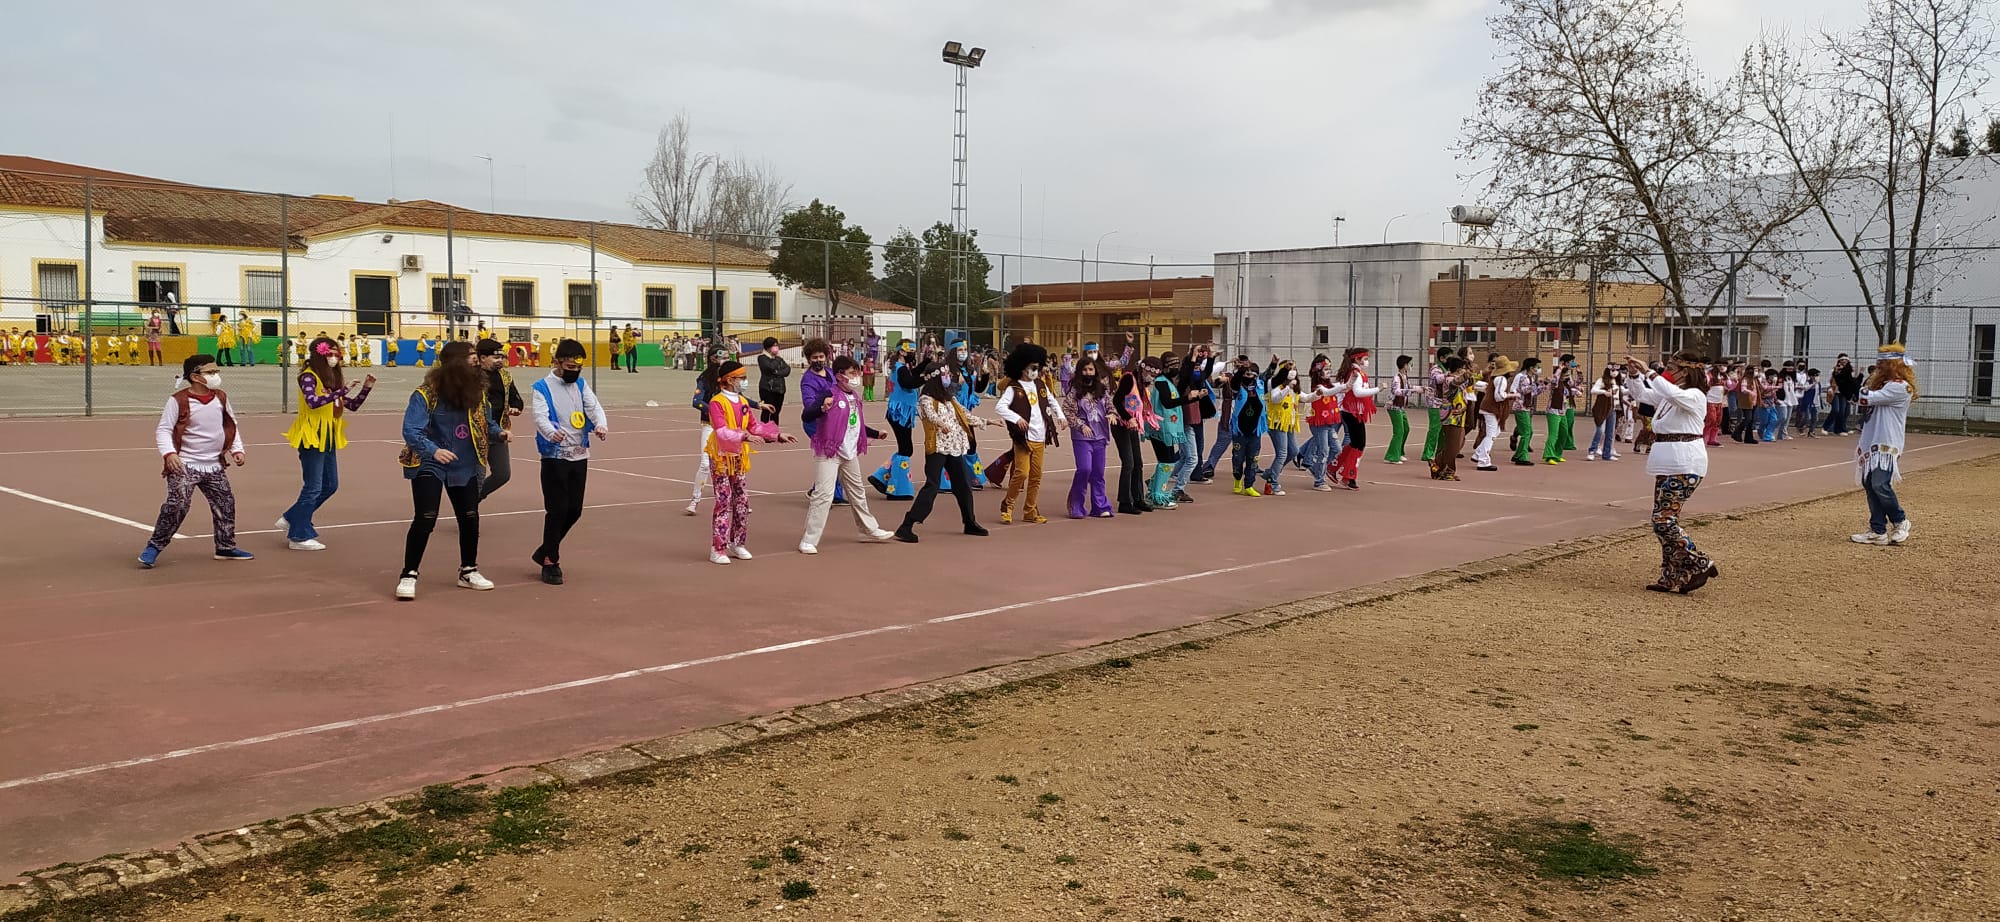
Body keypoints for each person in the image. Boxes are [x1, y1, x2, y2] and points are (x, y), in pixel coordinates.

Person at [396, 340, 501, 599]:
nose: (477, 361)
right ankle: (409, 574)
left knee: (469, 516)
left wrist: (500, 433)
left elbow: (485, 423)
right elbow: (411, 430)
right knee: (426, 516)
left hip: (464, 462)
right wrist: (434, 450)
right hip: (429, 460)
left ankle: (469, 571)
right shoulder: (425, 394)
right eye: (472, 357)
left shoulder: (477, 392)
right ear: (455, 363)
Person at [139, 354, 254, 568]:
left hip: (214, 464)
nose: (215, 375)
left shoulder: (221, 398)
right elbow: (164, 430)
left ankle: (225, 546)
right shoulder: (178, 400)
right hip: (185, 464)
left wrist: (237, 449)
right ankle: (154, 546)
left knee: (225, 503)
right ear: (195, 376)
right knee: (177, 504)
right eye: (210, 372)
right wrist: (169, 454)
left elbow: (231, 425)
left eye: (216, 371)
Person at [1628, 351, 1717, 594]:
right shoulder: (1672, 396)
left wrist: (1649, 372)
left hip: (1685, 463)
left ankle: (1700, 562)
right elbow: (1644, 395)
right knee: (1663, 521)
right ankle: (1672, 575)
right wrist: (1635, 375)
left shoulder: (1694, 395)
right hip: (1666, 461)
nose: (1667, 371)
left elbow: (1670, 392)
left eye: (1672, 367)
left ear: (1685, 371)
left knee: (1663, 520)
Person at [279, 337, 375, 551]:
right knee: (313, 486)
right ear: (319, 355)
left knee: (330, 485)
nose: (334, 358)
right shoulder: (308, 377)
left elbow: (352, 406)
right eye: (329, 354)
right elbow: (313, 402)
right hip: (312, 434)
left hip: (329, 435)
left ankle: (293, 516)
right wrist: (341, 391)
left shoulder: (332, 381)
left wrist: (366, 388)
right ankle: (298, 536)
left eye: (336, 354)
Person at [529, 339, 608, 584]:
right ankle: (551, 560)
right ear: (557, 363)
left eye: (578, 368)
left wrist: (600, 424)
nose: (574, 372)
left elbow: (594, 407)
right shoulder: (542, 387)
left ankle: (544, 549)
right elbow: (539, 416)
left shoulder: (581, 385)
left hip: (579, 454)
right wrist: (551, 432)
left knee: (574, 510)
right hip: (554, 456)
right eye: (570, 367)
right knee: (556, 510)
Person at [799, 355, 896, 553]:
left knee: (857, 491)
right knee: (823, 496)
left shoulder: (855, 397)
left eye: (857, 373)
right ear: (840, 375)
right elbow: (807, 414)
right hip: (829, 451)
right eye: (852, 373)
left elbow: (855, 424)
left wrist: (875, 433)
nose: (856, 377)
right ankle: (809, 539)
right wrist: (820, 407)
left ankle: (868, 529)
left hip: (849, 452)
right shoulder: (829, 393)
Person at [894, 362, 994, 543]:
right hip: (938, 448)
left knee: (963, 485)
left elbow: (965, 415)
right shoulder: (926, 399)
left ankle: (969, 522)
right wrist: (941, 424)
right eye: (945, 374)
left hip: (954, 448)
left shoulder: (950, 399)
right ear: (935, 378)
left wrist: (988, 422)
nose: (949, 377)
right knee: (932, 486)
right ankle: (907, 525)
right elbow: (931, 415)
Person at [704, 360, 793, 564]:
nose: (744, 381)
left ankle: (738, 542)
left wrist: (777, 435)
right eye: (741, 378)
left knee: (742, 500)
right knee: (724, 501)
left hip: (738, 457)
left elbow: (754, 426)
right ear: (729, 380)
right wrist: (744, 437)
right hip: (721, 457)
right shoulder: (717, 402)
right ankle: (718, 548)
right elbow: (721, 431)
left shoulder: (743, 403)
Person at [991, 343, 1066, 524]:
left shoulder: (1040, 384)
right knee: (1021, 473)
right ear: (1023, 368)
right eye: (1033, 367)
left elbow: (1052, 401)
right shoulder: (1013, 388)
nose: (1036, 371)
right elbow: (1000, 406)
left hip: (1040, 437)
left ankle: (1030, 510)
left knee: (1036, 476)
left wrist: (1061, 416)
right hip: (1023, 438)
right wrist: (1016, 419)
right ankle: (1007, 505)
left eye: (1037, 367)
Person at [1851, 345, 1916, 546]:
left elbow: (1865, 398)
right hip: (1872, 439)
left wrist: (1851, 384)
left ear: (1895, 365)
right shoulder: (1882, 385)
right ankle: (1877, 529)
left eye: (1884, 362)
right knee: (1869, 483)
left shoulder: (1900, 387)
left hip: (1887, 441)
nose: (1879, 366)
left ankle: (1900, 520)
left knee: (1880, 483)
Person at [685, 346, 736, 516]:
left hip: (728, 427)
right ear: (713, 358)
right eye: (722, 357)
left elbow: (740, 398)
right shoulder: (705, 378)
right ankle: (695, 499)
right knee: (706, 463)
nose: (725, 360)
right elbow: (696, 401)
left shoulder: (730, 378)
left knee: (730, 464)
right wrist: (714, 411)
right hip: (710, 425)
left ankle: (733, 499)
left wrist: (757, 405)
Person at [869, 340, 923, 500]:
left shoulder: (903, 368)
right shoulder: (901, 370)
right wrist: (925, 378)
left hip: (901, 412)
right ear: (902, 352)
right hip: (900, 412)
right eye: (910, 350)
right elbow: (909, 382)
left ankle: (881, 477)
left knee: (905, 448)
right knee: (906, 449)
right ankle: (896, 488)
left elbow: (912, 375)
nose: (913, 353)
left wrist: (926, 363)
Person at [1063, 355, 1116, 518]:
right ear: (1080, 371)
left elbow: (1110, 406)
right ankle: (1076, 504)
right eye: (1085, 369)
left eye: (1091, 369)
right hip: (1082, 438)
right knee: (1085, 469)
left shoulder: (1102, 390)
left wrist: (1112, 414)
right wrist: (1080, 425)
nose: (1088, 372)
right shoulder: (1074, 392)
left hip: (1100, 436)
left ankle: (1100, 506)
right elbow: (1067, 411)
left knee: (1098, 473)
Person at [475, 338, 525, 500]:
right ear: (482, 358)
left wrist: (516, 407)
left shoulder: (505, 376)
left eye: (502, 357)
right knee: (474, 475)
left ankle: (474, 498)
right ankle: (468, 507)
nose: (500, 361)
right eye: (496, 358)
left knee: (502, 474)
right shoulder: (472, 376)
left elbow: (516, 399)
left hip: (499, 431)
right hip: (475, 433)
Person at [1151, 351, 1199, 507]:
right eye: (1173, 366)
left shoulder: (1168, 382)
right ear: (1164, 367)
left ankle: (1155, 490)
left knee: (1168, 461)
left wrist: (1195, 397)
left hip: (1168, 427)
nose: (1176, 368)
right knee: (1166, 461)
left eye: (1177, 365)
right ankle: (1158, 495)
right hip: (1161, 428)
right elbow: (1168, 403)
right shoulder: (1161, 382)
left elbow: (1185, 375)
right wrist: (1188, 398)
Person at [1332, 348, 1381, 490]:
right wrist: (1378, 389)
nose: (1367, 361)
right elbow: (1358, 392)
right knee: (1359, 444)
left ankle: (1337, 468)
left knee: (1356, 444)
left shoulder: (1357, 372)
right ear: (1356, 359)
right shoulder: (1355, 374)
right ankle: (1348, 475)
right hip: (1351, 412)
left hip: (1354, 412)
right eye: (1364, 358)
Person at [1302, 354, 1345, 491]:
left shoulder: (1330, 384)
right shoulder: (1318, 387)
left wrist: (1349, 383)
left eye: (1330, 370)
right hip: (1319, 423)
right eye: (1326, 370)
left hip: (1329, 423)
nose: (1329, 373)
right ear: (1318, 371)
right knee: (1324, 450)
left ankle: (1316, 468)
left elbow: (1338, 387)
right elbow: (1328, 392)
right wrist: (1345, 385)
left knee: (1337, 449)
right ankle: (1319, 481)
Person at [1428, 356, 1473, 481]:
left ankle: (1437, 466)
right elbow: (1456, 382)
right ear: (1459, 370)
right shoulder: (1448, 379)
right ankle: (1447, 470)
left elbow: (1472, 380)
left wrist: (1484, 371)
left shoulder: (1459, 379)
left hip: (1458, 416)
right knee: (1452, 445)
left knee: (1454, 444)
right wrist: (1465, 376)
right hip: (1450, 416)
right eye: (1463, 368)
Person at [1262, 361, 1302, 495]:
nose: (1293, 371)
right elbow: (1275, 399)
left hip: (1288, 424)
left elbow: (1305, 397)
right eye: (1290, 368)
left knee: (1294, 451)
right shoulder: (1276, 385)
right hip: (1277, 424)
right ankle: (1272, 482)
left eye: (1294, 368)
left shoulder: (1294, 388)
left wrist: (1317, 395)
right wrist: (1287, 388)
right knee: (1282, 453)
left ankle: (1270, 472)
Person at [1472, 355, 1513, 472]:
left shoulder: (1496, 379)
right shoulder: (1501, 379)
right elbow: (1499, 396)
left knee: (1496, 431)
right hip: (1491, 409)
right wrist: (1511, 395)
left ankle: (1478, 453)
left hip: (1489, 408)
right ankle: (1483, 461)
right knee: (1491, 434)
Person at [1420, 347, 1452, 463]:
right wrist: (1448, 374)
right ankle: (1428, 453)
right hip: (1434, 402)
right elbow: (1436, 379)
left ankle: (1440, 452)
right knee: (1435, 428)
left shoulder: (1446, 368)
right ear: (1442, 358)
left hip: (1444, 402)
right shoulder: (1436, 368)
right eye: (1449, 357)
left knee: (1444, 429)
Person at [1509, 357, 1542, 466]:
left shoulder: (1531, 378)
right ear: (1531, 368)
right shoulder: (1523, 377)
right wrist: (1535, 384)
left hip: (1527, 406)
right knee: (1526, 432)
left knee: (1528, 431)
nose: (1538, 369)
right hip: (1520, 406)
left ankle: (1518, 454)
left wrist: (1543, 385)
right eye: (1536, 367)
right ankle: (1522, 456)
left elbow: (1533, 392)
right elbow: (1524, 390)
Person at [1383, 355, 1414, 464]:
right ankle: (1392, 456)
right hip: (1394, 407)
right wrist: (1411, 391)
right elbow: (1397, 391)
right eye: (1409, 364)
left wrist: (1420, 389)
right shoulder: (1397, 377)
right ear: (1404, 365)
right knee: (1399, 431)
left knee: (1406, 428)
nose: (1411, 366)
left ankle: (1399, 452)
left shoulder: (1405, 376)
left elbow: (1409, 388)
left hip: (1401, 407)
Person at [1587, 366, 1622, 461]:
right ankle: (1592, 450)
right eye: (1613, 370)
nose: (1615, 372)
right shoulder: (1602, 380)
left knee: (1610, 432)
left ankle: (1607, 453)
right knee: (1600, 430)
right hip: (1603, 409)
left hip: (1613, 409)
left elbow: (1620, 393)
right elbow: (1593, 390)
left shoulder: (1617, 382)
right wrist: (1604, 392)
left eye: (1617, 370)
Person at [756, 336, 791, 423]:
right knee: (767, 410)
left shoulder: (779, 358)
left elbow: (787, 370)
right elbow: (769, 367)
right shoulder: (762, 358)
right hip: (767, 389)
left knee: (776, 412)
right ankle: (764, 429)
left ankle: (774, 430)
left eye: (777, 345)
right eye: (774, 345)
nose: (776, 347)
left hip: (779, 390)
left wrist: (777, 372)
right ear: (768, 347)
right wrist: (776, 362)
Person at [1827, 354, 1860, 435]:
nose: (1844, 361)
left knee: (1846, 412)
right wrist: (1830, 388)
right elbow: (1831, 381)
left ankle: (1841, 427)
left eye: (1846, 360)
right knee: (1838, 410)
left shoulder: (1850, 370)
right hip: (1837, 393)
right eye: (1842, 360)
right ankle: (1837, 429)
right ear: (1839, 361)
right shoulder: (1834, 370)